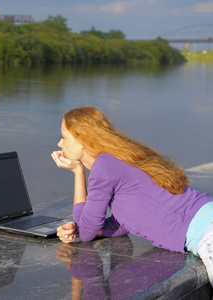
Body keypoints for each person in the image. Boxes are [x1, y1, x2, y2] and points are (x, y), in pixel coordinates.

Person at [51, 106, 213, 286]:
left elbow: (88, 233)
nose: (59, 143)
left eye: (64, 137)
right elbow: (121, 223)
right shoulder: (115, 159)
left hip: (207, 234)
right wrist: (80, 227)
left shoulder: (104, 166)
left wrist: (77, 172)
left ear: (81, 139)